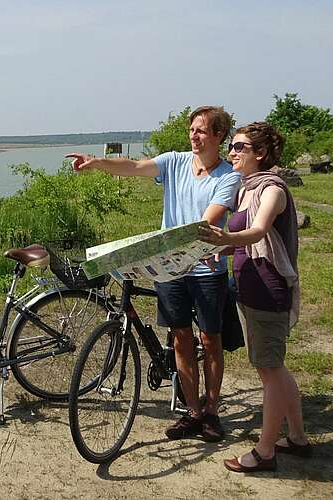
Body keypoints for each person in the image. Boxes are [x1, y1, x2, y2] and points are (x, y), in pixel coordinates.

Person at [67, 106, 241, 442]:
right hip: (169, 269)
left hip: (206, 268)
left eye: (202, 131)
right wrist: (97, 163)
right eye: (192, 129)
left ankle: (212, 411)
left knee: (210, 338)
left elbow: (208, 219)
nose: (194, 135)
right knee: (180, 337)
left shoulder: (228, 176)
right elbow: (133, 167)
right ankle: (192, 412)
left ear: (219, 135)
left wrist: (191, 246)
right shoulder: (175, 162)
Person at [198, 122, 310, 472]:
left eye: (240, 147)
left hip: (267, 290)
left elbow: (259, 230)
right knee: (274, 368)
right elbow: (252, 241)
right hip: (248, 287)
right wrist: (227, 251)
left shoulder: (272, 189)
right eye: (231, 146)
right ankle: (297, 438)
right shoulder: (246, 189)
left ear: (259, 154)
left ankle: (264, 452)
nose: (231, 152)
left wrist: (223, 241)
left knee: (269, 371)